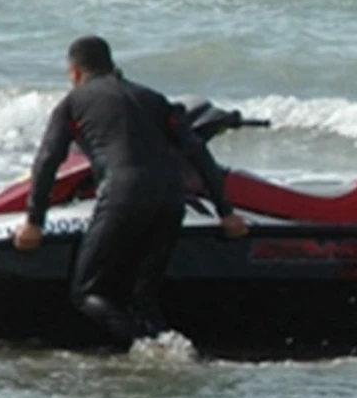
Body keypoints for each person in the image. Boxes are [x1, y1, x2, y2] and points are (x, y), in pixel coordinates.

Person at [13, 36, 249, 346]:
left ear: (74, 72)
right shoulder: (153, 98)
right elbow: (198, 154)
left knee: (87, 292)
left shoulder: (73, 103)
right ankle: (171, 347)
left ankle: (151, 350)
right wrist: (226, 213)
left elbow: (47, 162)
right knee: (144, 296)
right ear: (112, 65)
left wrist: (34, 221)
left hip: (123, 194)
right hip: (171, 196)